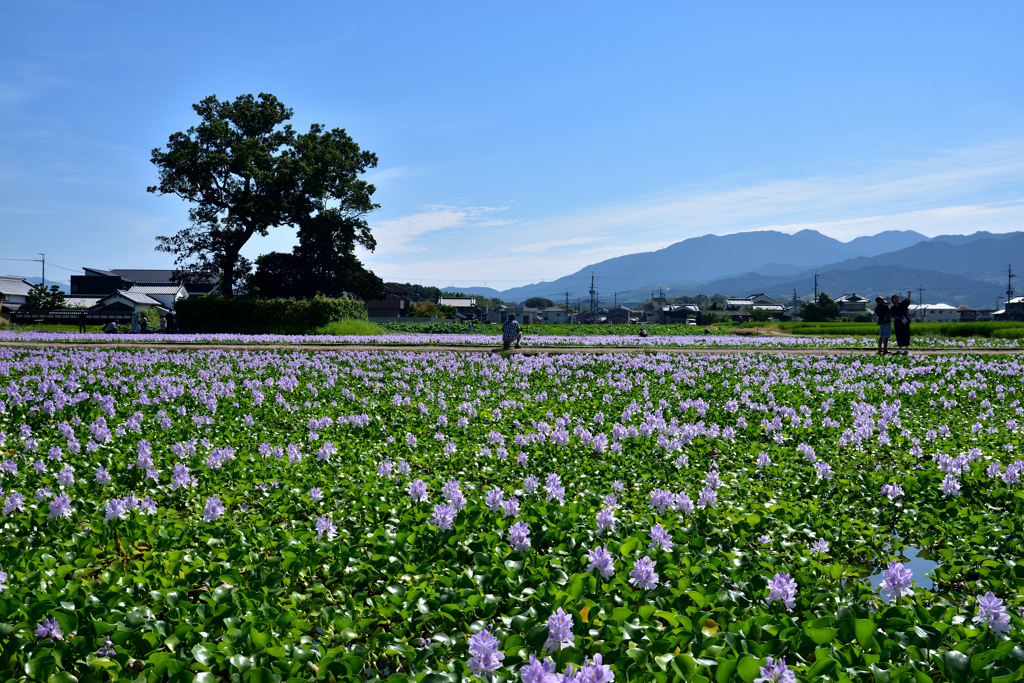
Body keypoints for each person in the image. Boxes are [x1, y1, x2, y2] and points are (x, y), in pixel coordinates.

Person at [891, 290, 912, 356]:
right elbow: (891, 315)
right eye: (895, 298)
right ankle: (900, 348)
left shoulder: (902, 304)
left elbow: (907, 300)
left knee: (906, 334)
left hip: (904, 321)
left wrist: (909, 294)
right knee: (899, 334)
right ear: (893, 300)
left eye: (897, 298)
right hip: (897, 322)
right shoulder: (893, 307)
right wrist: (896, 317)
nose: (896, 299)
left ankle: (906, 348)